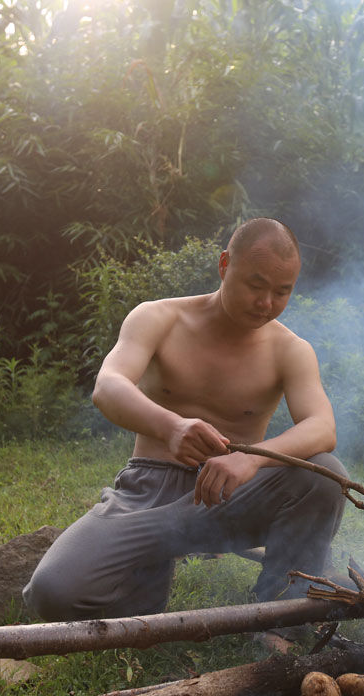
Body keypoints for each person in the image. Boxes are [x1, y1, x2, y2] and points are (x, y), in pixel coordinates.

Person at [23, 218, 347, 623]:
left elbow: (322, 427)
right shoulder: (159, 318)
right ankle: (145, 582)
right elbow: (108, 386)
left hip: (234, 495)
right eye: (255, 285)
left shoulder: (290, 349)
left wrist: (250, 460)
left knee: (325, 472)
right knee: (52, 594)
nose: (266, 303)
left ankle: (281, 611)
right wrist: (170, 427)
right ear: (225, 264)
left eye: (282, 292)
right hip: (151, 492)